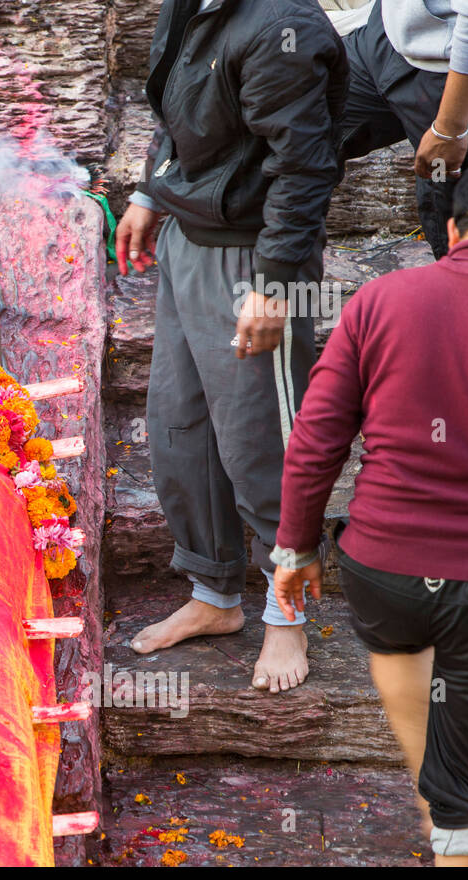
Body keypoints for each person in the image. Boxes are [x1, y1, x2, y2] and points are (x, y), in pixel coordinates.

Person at [114, 0, 348, 692]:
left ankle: (286, 609)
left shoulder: (284, 28)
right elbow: (176, 116)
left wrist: (274, 285)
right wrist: (151, 191)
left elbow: (304, 167)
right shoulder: (190, 5)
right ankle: (215, 595)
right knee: (177, 424)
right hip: (189, 236)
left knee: (258, 442)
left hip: (252, 257)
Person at [273, 160, 468, 866]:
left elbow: (314, 440)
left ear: (454, 228)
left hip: (382, 572)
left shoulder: (379, 300)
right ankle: (461, 824)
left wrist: (296, 551)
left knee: (434, 724)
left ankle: (448, 813)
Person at [338, 0, 468, 260]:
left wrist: (450, 129)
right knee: (294, 129)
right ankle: (273, 282)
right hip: (386, 36)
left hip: (458, 71)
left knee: (459, 237)